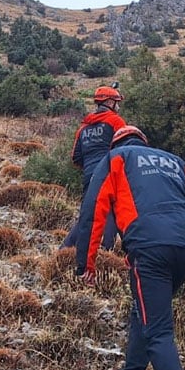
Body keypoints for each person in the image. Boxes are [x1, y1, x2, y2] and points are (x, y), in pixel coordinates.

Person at [75, 125, 185, 370]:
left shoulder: (117, 158)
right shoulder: (176, 162)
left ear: (117, 142)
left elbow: (93, 211)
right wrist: (180, 241)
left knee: (159, 330)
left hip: (151, 248)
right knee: (147, 313)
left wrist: (86, 264)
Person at [60, 86, 125, 251]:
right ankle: (105, 250)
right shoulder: (116, 121)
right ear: (110, 102)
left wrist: (91, 168)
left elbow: (76, 157)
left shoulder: (83, 128)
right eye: (117, 102)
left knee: (88, 214)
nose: (118, 107)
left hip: (90, 176)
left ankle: (65, 250)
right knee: (112, 211)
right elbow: (126, 149)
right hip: (111, 173)